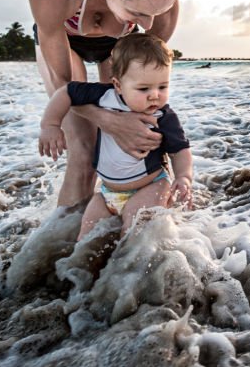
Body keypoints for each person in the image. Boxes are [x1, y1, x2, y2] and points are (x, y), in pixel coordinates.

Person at [29, 0, 182, 208]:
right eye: (137, 13)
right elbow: (66, 88)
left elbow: (148, 66)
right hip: (66, 41)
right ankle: (63, 244)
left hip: (117, 47)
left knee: (138, 140)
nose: (148, 25)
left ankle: (142, 229)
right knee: (86, 150)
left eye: (156, 13)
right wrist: (108, 119)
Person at [38, 34, 193, 240]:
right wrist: (50, 125)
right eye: (143, 88)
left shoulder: (163, 116)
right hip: (106, 193)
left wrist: (183, 177)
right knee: (85, 238)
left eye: (162, 86)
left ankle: (125, 268)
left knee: (133, 234)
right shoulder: (104, 96)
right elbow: (66, 92)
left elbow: (180, 150)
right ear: (118, 85)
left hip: (150, 186)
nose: (155, 95)